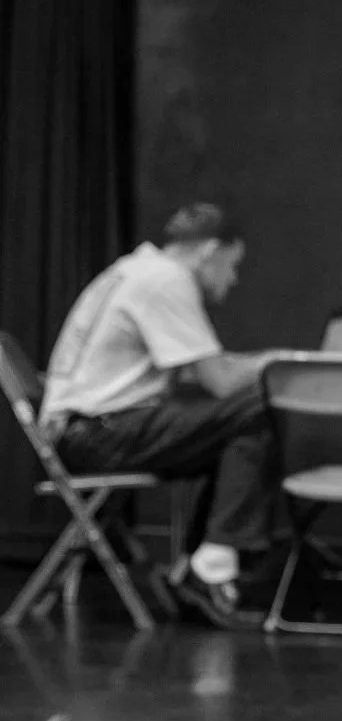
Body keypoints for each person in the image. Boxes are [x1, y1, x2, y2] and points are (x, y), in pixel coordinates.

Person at [39, 202, 276, 627]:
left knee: (239, 430)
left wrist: (248, 366)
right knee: (260, 406)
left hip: (83, 429)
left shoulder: (139, 270)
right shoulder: (166, 281)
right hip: (94, 433)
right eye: (232, 264)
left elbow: (196, 372)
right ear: (209, 251)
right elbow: (219, 381)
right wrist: (278, 361)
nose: (233, 278)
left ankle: (204, 566)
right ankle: (210, 568)